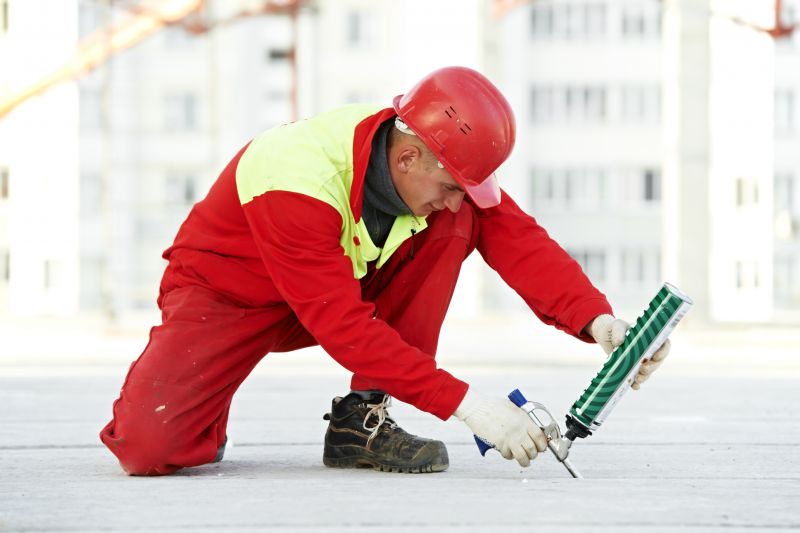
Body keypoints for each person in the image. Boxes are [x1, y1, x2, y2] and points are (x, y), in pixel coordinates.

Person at [99, 66, 670, 476]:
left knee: (460, 223)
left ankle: (361, 422)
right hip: (228, 296)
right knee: (150, 448)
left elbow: (517, 237)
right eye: (449, 187)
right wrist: (466, 405)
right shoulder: (296, 177)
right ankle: (197, 409)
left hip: (334, 285)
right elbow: (343, 328)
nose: (454, 200)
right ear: (406, 158)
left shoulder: (435, 163)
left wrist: (598, 323)